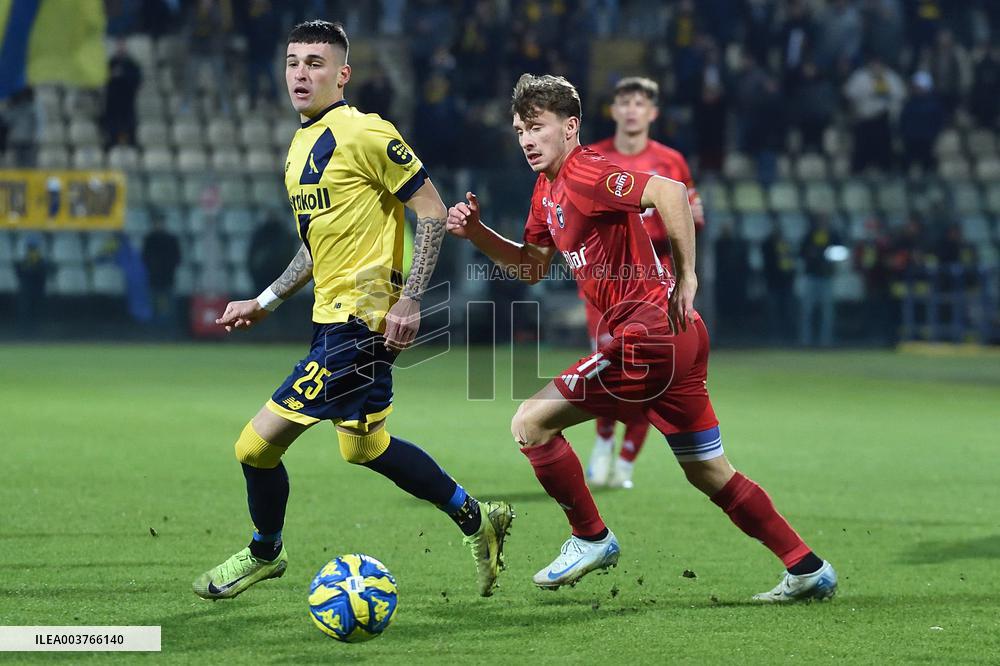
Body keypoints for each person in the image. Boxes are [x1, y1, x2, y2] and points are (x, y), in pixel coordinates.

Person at [446, 73, 837, 601]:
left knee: (530, 423)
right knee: (708, 471)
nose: (527, 140)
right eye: (520, 131)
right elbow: (532, 266)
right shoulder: (546, 191)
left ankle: (590, 537)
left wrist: (688, 276)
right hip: (677, 341)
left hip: (648, 337)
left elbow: (669, 191)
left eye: (537, 128)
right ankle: (807, 567)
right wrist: (477, 234)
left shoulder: (587, 172)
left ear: (571, 127)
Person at [193, 21, 513, 601]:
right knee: (363, 445)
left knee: (254, 447)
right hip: (330, 317)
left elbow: (434, 211)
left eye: (315, 63)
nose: (300, 73)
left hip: (359, 323)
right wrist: (265, 301)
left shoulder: (366, 133)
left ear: (341, 74)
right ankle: (476, 518)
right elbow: (315, 246)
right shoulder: (297, 149)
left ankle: (265, 551)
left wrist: (411, 298)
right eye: (292, 62)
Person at [583, 76, 705, 491]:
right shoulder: (593, 157)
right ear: (614, 110)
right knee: (608, 367)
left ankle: (627, 458)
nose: (632, 109)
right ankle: (602, 441)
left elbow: (689, 218)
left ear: (652, 113)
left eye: (640, 103)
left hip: (656, 282)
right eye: (625, 102)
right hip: (608, 278)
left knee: (648, 374)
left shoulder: (672, 163)